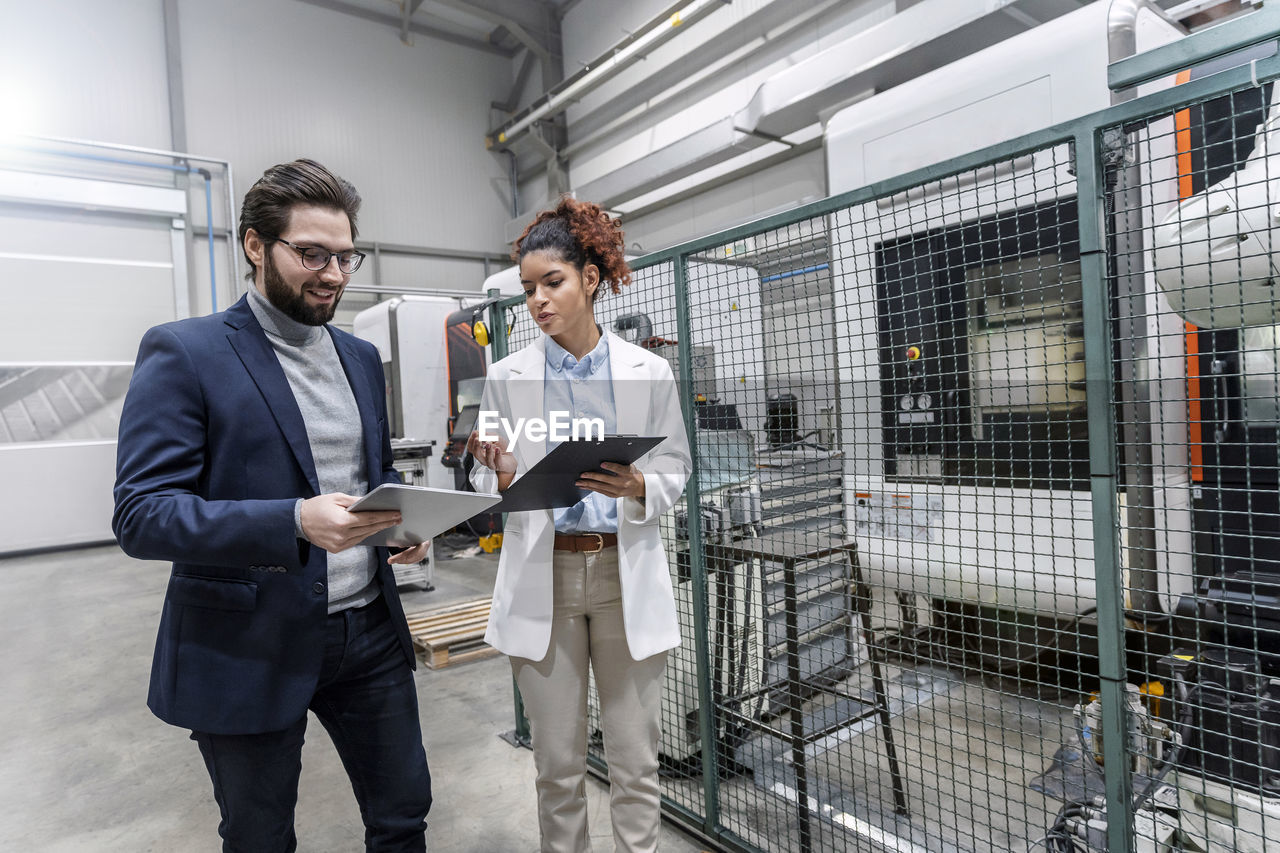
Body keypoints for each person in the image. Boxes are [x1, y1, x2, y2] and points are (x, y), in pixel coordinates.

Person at [113, 158, 433, 852]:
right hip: (249, 641)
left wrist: (401, 528)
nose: (334, 274)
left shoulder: (359, 356)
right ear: (255, 246)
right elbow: (141, 513)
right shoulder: (187, 352)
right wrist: (291, 520)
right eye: (311, 254)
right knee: (260, 836)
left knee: (403, 814)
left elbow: (365, 482)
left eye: (345, 256)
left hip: (369, 630)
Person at [467, 197, 692, 853]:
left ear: (590, 279)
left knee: (635, 766)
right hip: (547, 575)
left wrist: (641, 483)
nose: (537, 300)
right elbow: (487, 481)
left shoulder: (648, 371)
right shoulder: (507, 377)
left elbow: (676, 465)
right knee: (557, 767)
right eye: (529, 287)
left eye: (552, 282)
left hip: (625, 572)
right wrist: (502, 471)